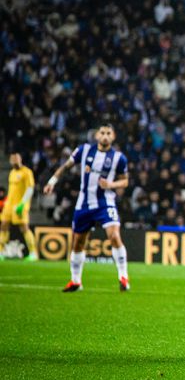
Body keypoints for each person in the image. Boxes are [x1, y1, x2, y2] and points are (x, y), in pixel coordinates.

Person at [43, 124, 132, 291]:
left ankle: (123, 277)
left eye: (108, 133)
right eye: (102, 133)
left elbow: (125, 181)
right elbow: (65, 166)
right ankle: (76, 281)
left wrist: (111, 184)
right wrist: (51, 182)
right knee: (78, 243)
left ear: (113, 137)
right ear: (97, 135)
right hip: (83, 203)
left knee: (114, 236)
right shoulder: (83, 150)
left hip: (105, 202)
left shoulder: (119, 158)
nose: (105, 136)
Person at [0, 153, 38, 261]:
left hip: (20, 205)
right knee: (3, 225)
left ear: (20, 159)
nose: (14, 161)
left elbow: (30, 189)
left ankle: (33, 253)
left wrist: (22, 203)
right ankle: (1, 251)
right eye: (12, 159)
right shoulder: (12, 173)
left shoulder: (27, 172)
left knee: (24, 227)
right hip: (9, 205)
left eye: (16, 158)